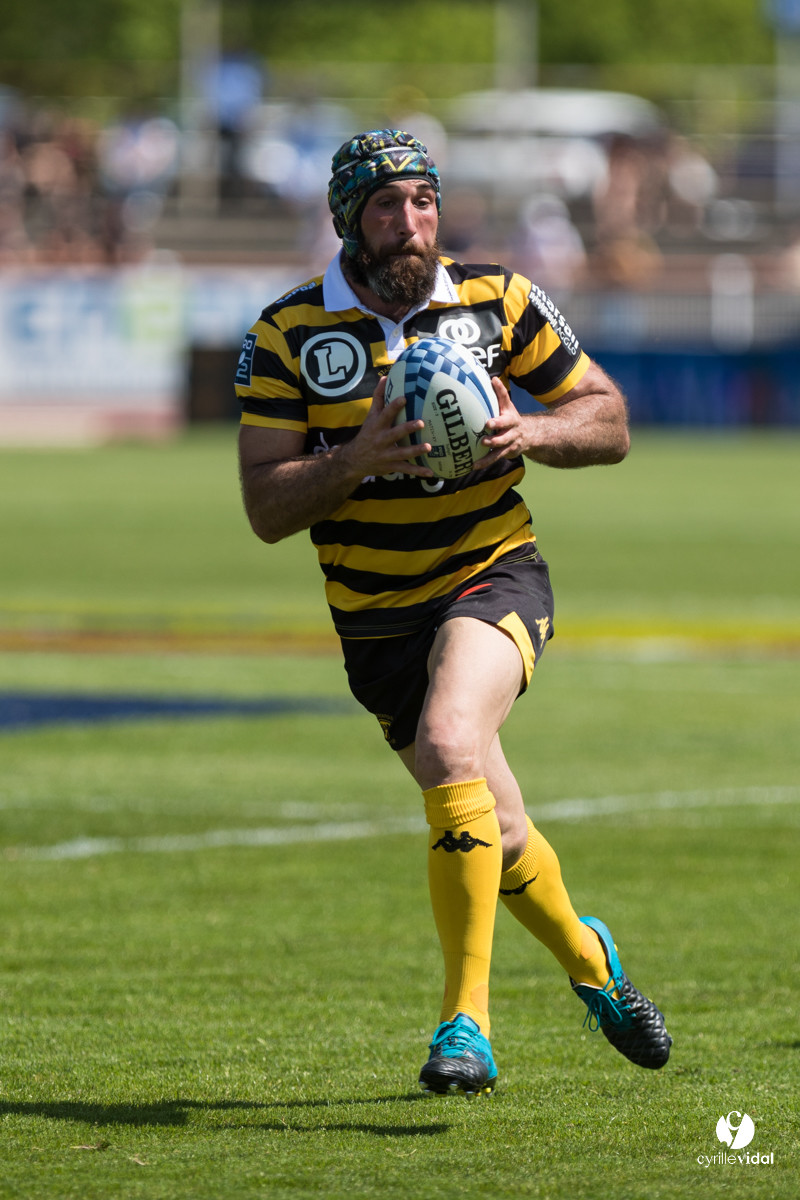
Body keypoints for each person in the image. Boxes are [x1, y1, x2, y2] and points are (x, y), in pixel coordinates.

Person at [236, 129, 672, 1098]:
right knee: (497, 826)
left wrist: (536, 428)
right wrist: (352, 460)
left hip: (491, 572)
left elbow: (609, 419)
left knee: (446, 743)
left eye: (422, 202)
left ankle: (463, 1024)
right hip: (376, 619)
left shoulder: (497, 301)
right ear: (348, 219)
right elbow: (264, 505)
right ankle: (591, 961)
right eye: (387, 207)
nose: (410, 225)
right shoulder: (286, 334)